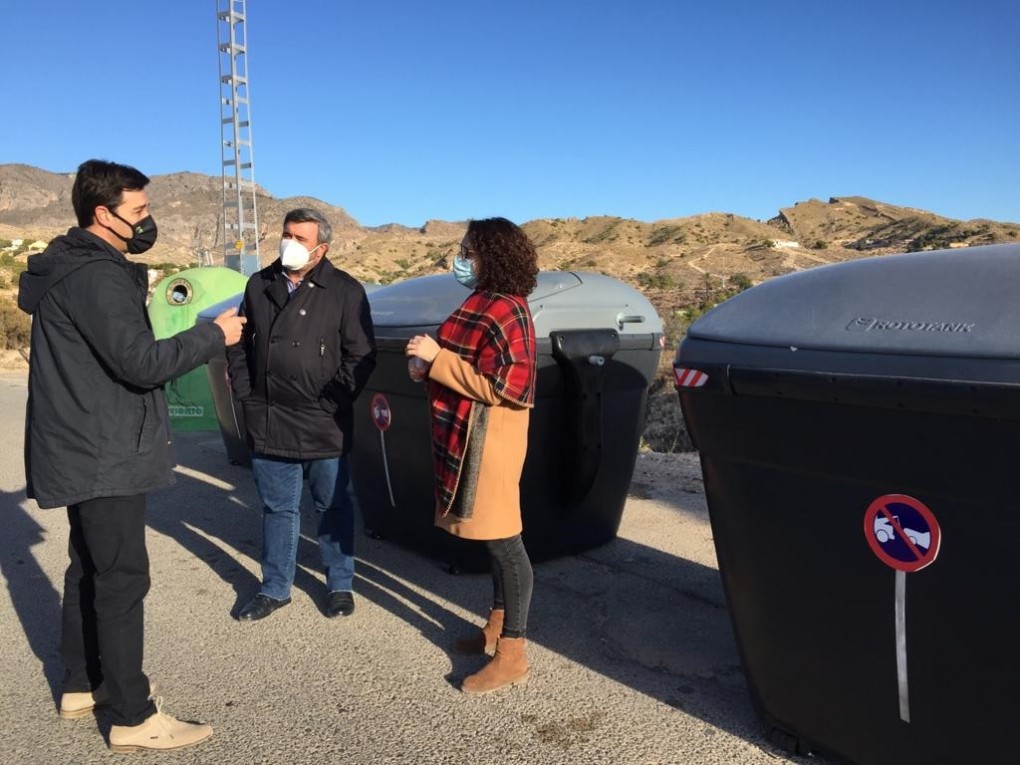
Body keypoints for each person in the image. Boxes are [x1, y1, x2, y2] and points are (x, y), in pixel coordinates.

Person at [17, 159, 246, 753]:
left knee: (88, 567)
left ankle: (81, 682)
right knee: (121, 578)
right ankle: (132, 715)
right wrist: (212, 337)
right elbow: (140, 362)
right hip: (103, 448)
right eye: (139, 211)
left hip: (81, 443)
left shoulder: (70, 268)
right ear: (103, 213)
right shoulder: (96, 275)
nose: (148, 221)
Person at [405, 217, 538, 694]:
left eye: (468, 249)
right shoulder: (480, 301)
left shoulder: (509, 309)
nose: (461, 258)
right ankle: (496, 627)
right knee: (492, 540)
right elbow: (463, 363)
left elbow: (508, 387)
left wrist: (438, 360)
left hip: (492, 442)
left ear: (492, 254)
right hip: (469, 438)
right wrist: (428, 366)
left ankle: (513, 654)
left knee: (505, 542)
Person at [227, 208, 376, 622]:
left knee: (332, 506)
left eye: (300, 238)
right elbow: (237, 342)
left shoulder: (345, 290)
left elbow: (361, 354)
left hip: (323, 421)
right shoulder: (260, 284)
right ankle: (275, 587)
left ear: (321, 248)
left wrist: (332, 402)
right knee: (278, 508)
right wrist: (246, 392)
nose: (288, 242)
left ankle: (340, 584)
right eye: (286, 234)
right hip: (270, 417)